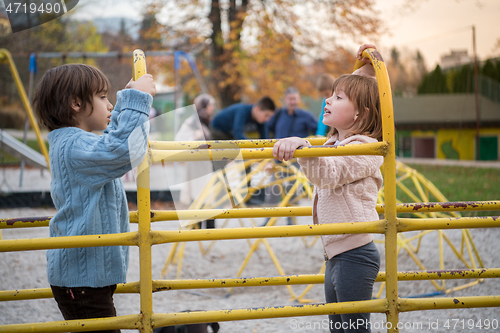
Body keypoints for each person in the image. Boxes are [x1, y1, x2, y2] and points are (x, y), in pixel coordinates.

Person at [32, 63, 156, 333]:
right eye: (102, 97)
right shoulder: (74, 145)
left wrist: (127, 101)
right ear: (76, 103)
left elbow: (113, 143)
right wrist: (139, 99)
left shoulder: (76, 141)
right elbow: (122, 151)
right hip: (82, 280)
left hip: (86, 275)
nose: (109, 105)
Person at [272, 44, 382, 333]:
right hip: (334, 253)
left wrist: (303, 146)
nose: (327, 100)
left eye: (338, 96)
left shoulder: (366, 149)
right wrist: (365, 63)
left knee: (355, 329)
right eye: (331, 94)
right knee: (339, 329)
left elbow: (329, 174)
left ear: (360, 113)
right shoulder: (334, 144)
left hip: (355, 253)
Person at [175, 93, 216, 228]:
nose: (213, 107)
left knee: (207, 193)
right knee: (197, 193)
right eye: (210, 105)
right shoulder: (191, 122)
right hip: (195, 164)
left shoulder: (205, 121)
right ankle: (197, 226)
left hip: (205, 163)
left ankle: (209, 227)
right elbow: (179, 140)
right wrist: (194, 137)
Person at [210, 96, 276, 140]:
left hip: (229, 132)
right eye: (266, 115)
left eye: (270, 116)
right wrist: (253, 147)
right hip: (217, 130)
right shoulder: (242, 111)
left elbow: (264, 138)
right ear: (257, 109)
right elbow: (238, 133)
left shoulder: (259, 119)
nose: (268, 119)